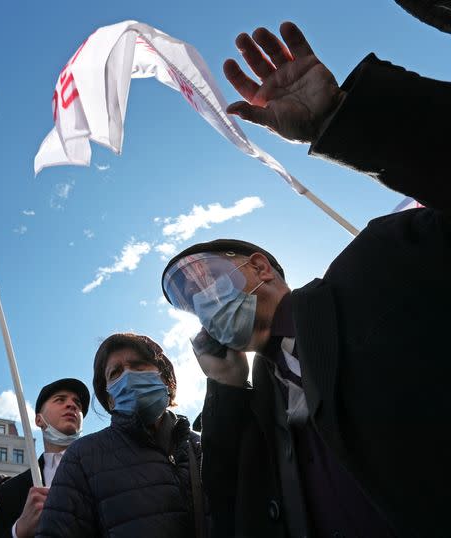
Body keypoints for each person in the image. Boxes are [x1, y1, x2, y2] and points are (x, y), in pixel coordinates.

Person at [161, 22, 450, 538]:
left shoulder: (378, 265)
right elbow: (223, 512)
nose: (202, 301)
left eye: (204, 278)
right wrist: (226, 390)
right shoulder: (254, 407)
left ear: (259, 266)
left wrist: (345, 118)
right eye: (188, 301)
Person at [36, 334, 204, 538]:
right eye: (115, 373)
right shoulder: (83, 457)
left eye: (139, 365)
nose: (128, 377)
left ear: (166, 379)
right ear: (109, 400)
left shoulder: (202, 446)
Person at [0, 378, 90, 538]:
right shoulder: (11, 490)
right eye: (60, 399)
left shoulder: (105, 468)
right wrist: (18, 531)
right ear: (39, 420)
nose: (72, 405)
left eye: (77, 403)